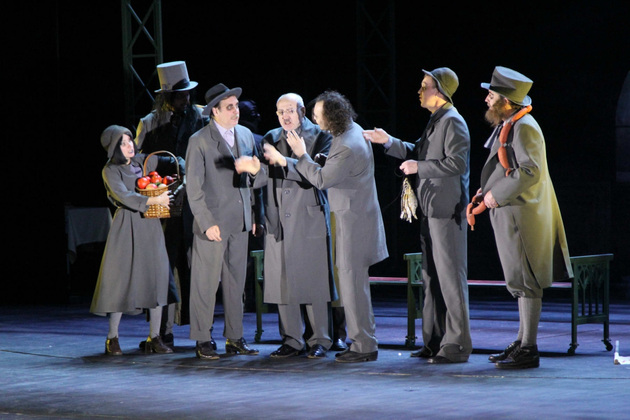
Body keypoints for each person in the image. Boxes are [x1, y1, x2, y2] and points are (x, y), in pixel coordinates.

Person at [363, 68, 472, 364]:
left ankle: (458, 344)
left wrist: (418, 167)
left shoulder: (453, 121)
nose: (420, 91)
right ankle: (434, 341)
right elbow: (419, 151)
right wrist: (388, 141)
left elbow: (457, 164)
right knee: (431, 278)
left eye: (425, 86)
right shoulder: (436, 120)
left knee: (451, 279)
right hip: (431, 209)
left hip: (447, 211)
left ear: (440, 91)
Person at [271, 90, 389, 363]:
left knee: (353, 289)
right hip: (357, 219)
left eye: (317, 115)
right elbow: (337, 169)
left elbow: (322, 180)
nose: (314, 119)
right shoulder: (351, 131)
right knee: (354, 288)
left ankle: (363, 346)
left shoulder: (347, 144)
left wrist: (302, 155)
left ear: (332, 116)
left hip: (353, 224)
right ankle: (363, 341)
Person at [475, 66, 573, 369]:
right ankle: (521, 341)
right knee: (518, 280)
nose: (487, 99)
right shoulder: (511, 123)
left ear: (506, 101)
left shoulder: (525, 126)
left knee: (526, 280)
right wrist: (486, 190)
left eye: (492, 95)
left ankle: (529, 348)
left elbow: (530, 171)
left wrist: (495, 194)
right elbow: (506, 166)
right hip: (511, 211)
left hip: (523, 213)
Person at [252, 93, 337, 359]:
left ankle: (321, 339)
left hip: (308, 216)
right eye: (280, 112)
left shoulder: (321, 136)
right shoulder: (270, 137)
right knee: (282, 282)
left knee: (314, 282)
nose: (285, 116)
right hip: (277, 217)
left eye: (290, 110)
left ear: (302, 111)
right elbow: (263, 175)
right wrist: (254, 170)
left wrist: (284, 161)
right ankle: (292, 339)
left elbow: (318, 175)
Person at [186, 83, 266, 360]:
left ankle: (235, 337)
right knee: (205, 284)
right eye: (229, 107)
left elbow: (256, 178)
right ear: (215, 111)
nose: (236, 111)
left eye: (236, 106)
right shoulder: (199, 140)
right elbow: (193, 188)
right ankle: (202, 339)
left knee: (236, 284)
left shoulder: (245, 134)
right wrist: (206, 222)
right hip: (213, 224)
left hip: (240, 222)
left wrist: (253, 215)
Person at [135, 60, 207, 350]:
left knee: (196, 266)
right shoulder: (150, 123)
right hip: (163, 202)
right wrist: (168, 164)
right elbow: (139, 160)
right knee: (163, 266)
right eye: (180, 95)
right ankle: (161, 331)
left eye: (188, 93)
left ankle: (201, 330)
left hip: (195, 201)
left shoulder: (200, 117)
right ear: (166, 97)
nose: (186, 99)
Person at [90, 125, 175, 355]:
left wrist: (179, 164)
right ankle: (112, 337)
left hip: (150, 225)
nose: (130, 146)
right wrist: (153, 200)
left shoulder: (140, 162)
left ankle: (154, 337)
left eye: (130, 141)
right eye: (123, 143)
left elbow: (163, 160)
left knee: (156, 278)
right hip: (126, 225)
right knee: (120, 281)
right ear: (114, 147)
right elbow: (123, 195)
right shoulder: (110, 170)